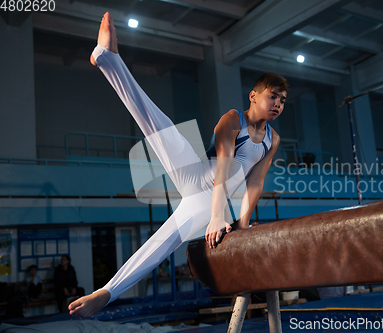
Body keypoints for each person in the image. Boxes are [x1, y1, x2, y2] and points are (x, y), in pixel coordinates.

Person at [68, 12, 288, 318]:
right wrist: (216, 217)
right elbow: (223, 168)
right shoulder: (232, 119)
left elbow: (254, 183)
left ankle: (106, 292)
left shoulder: (272, 139)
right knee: (162, 128)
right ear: (253, 96)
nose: (277, 104)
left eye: (283, 100)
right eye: (272, 96)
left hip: (205, 199)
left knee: (164, 241)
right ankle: (107, 58)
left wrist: (242, 223)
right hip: (198, 176)